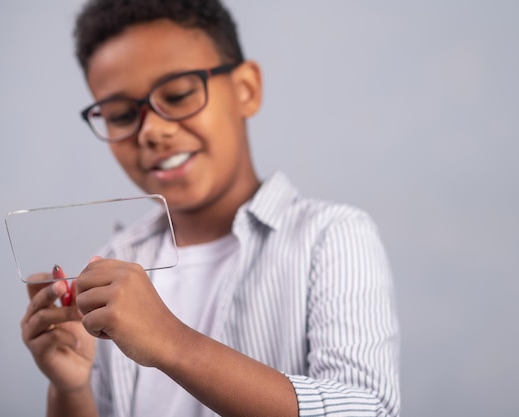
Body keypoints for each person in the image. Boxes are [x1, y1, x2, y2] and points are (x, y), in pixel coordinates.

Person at [20, 1, 401, 416]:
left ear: (246, 90)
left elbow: (368, 410)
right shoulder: (118, 259)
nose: (152, 131)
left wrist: (172, 341)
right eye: (121, 115)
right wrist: (72, 390)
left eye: (179, 94)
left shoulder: (332, 236)